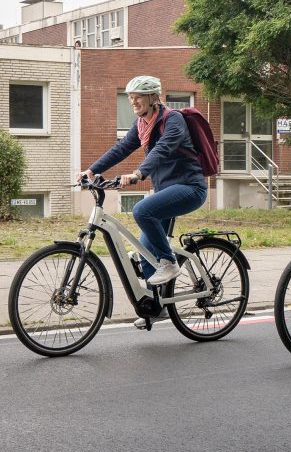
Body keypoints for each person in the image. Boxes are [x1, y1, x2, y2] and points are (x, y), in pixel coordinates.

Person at [76, 75, 208, 327]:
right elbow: (121, 149)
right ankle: (158, 308)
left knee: (141, 210)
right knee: (145, 252)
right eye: (130, 97)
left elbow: (163, 150)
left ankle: (169, 262)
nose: (133, 102)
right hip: (165, 193)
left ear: (153, 98)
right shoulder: (142, 125)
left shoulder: (173, 120)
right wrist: (91, 171)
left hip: (190, 188)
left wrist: (138, 174)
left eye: (138, 97)